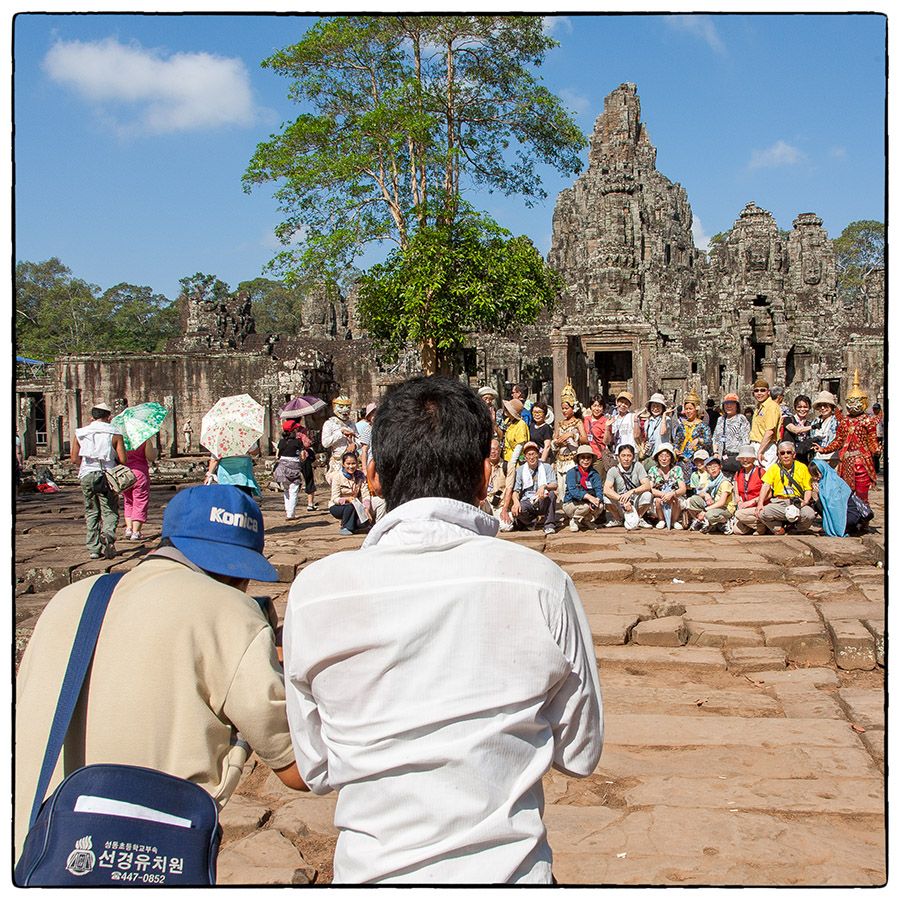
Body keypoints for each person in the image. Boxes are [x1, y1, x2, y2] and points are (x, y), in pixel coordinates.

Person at [283, 376, 602, 884]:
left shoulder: (316, 593)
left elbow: (316, 767)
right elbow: (579, 753)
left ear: (373, 475)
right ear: (485, 476)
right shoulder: (541, 583)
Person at [14, 484, 305, 862]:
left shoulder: (70, 599)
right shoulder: (230, 612)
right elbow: (296, 769)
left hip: (34, 847)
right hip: (137, 857)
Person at [70, 402, 127, 559]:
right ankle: (108, 535)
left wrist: (87, 466)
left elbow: (74, 458)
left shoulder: (80, 433)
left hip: (87, 474)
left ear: (92, 417)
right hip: (108, 476)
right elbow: (123, 459)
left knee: (91, 511)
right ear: (109, 417)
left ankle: (94, 548)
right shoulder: (115, 434)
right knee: (109, 509)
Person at [814, 372, 880, 505]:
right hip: (846, 462)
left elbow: (872, 440)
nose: (853, 405)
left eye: (856, 401)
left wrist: (876, 450)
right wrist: (824, 449)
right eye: (850, 402)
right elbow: (838, 441)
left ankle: (863, 516)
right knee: (847, 494)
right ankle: (850, 515)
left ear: (863, 402)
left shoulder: (868, 421)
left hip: (862, 460)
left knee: (862, 496)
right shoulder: (844, 422)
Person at [756, 441, 816, 535]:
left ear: (794, 454)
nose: (786, 456)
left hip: (796, 502)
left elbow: (808, 488)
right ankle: (778, 528)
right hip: (779, 502)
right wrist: (760, 503)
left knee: (809, 514)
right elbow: (766, 486)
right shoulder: (774, 468)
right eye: (782, 453)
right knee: (761, 513)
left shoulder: (802, 467)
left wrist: (805, 502)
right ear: (778, 455)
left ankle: (797, 529)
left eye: (789, 452)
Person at [504, 441, 559, 535]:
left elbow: (555, 484)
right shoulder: (520, 470)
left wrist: (544, 486)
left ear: (538, 454)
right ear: (525, 457)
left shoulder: (546, 467)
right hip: (528, 500)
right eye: (528, 454)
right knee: (517, 509)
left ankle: (549, 525)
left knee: (551, 494)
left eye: (533, 454)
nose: (531, 457)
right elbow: (516, 490)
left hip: (542, 498)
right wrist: (516, 502)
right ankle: (531, 521)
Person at [603, 443, 653, 529]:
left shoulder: (638, 466)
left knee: (648, 495)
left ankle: (638, 519)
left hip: (635, 501)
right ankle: (618, 519)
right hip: (620, 502)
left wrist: (632, 491)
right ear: (618, 457)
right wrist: (621, 499)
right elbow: (606, 489)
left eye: (629, 456)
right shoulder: (613, 470)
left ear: (633, 457)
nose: (626, 459)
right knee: (606, 497)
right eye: (623, 456)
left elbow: (647, 485)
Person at [684, 455, 734, 533]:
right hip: (714, 506)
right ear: (706, 470)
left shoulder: (725, 482)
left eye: (715, 466)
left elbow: (722, 502)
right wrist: (706, 495)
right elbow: (700, 493)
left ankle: (725, 522)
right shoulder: (709, 481)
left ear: (720, 467)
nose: (713, 469)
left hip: (725, 509)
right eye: (709, 467)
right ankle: (709, 523)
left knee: (709, 515)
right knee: (693, 500)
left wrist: (705, 510)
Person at [122, 438, 158, 541]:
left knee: (128, 501)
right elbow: (150, 457)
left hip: (125, 474)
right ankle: (136, 531)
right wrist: (155, 451)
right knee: (140, 501)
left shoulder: (121, 438)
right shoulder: (143, 438)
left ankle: (129, 528)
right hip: (140, 473)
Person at [563, 444, 605, 531]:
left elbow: (599, 489)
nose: (585, 460)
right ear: (578, 459)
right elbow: (573, 491)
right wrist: (588, 497)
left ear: (591, 459)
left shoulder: (595, 474)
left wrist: (597, 499)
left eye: (588, 457)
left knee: (600, 506)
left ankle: (586, 520)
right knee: (585, 507)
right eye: (582, 457)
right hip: (572, 503)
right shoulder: (571, 473)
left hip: (588, 502)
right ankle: (574, 520)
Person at [329, 450, 373, 535]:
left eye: (353, 463)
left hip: (357, 506)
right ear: (343, 464)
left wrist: (366, 508)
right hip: (339, 507)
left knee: (364, 524)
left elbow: (365, 494)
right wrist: (347, 499)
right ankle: (345, 527)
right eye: (348, 464)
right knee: (350, 506)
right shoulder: (337, 477)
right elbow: (335, 498)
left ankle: (354, 526)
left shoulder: (360, 476)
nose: (351, 466)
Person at [552, 382, 587, 484]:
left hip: (572, 460)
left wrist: (572, 435)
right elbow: (555, 439)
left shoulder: (578, 422)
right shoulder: (560, 423)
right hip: (560, 459)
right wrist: (557, 442)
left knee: (571, 485)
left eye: (566, 408)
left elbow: (585, 440)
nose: (564, 411)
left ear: (573, 408)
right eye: (563, 408)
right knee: (561, 487)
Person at [646, 443, 686, 530]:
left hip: (674, 498)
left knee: (676, 500)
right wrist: (663, 494)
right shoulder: (653, 470)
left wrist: (672, 494)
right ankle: (661, 520)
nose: (664, 459)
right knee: (657, 500)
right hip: (659, 499)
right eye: (661, 456)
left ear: (671, 458)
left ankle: (674, 521)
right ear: (657, 458)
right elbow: (650, 488)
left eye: (667, 456)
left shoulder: (677, 469)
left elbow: (683, 489)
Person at [274, 424, 310, 520]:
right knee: (293, 491)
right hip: (294, 468)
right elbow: (302, 456)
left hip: (282, 468)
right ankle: (291, 514)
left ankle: (288, 512)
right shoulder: (298, 442)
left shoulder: (281, 442)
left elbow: (277, 456)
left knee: (286, 490)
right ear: (293, 431)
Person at [321, 394, 358, 484]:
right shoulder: (329, 424)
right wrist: (340, 433)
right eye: (341, 407)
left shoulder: (351, 424)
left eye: (348, 407)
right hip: (338, 461)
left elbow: (359, 439)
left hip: (351, 461)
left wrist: (355, 445)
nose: (345, 410)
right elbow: (325, 443)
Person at [712, 393, 750, 474]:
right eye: (726, 403)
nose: (729, 406)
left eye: (732, 403)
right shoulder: (720, 419)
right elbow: (715, 438)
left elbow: (745, 439)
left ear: (737, 406)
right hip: (722, 456)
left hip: (737, 456)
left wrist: (743, 457)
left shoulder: (741, 418)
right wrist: (715, 452)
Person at [749, 379, 783, 468]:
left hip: (766, 447)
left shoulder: (771, 406)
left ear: (768, 392)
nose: (759, 393)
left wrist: (760, 451)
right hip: (756, 445)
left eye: (762, 390)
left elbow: (770, 431)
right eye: (756, 391)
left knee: (765, 474)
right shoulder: (759, 407)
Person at [732, 445, 765, 535]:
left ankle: (761, 526)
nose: (745, 460)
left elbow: (768, 494)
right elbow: (736, 493)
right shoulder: (738, 473)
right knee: (737, 530)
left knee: (739, 514)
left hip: (759, 506)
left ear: (753, 459)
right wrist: (739, 502)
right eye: (742, 458)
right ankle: (758, 526)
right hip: (745, 508)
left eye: (748, 458)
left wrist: (751, 502)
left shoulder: (761, 472)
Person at [677, 390, 711, 476]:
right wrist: (676, 450)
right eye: (686, 409)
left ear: (696, 409)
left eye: (690, 409)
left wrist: (698, 440)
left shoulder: (703, 425)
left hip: (697, 460)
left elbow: (709, 442)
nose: (688, 411)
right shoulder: (681, 426)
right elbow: (677, 442)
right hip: (682, 460)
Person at [640, 392, 681, 462]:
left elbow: (662, 432)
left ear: (662, 408)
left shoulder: (666, 419)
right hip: (651, 455)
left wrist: (664, 415)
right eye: (653, 406)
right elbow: (648, 438)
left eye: (658, 406)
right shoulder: (647, 422)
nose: (655, 408)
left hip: (663, 455)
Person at [809, 391, 840, 469]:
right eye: (820, 406)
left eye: (825, 405)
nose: (823, 408)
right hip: (817, 458)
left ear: (831, 406)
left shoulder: (837, 421)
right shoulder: (815, 422)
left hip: (833, 458)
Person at [479, 437, 508, 520]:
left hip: (499, 505)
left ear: (500, 450)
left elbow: (509, 489)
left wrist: (505, 509)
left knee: (506, 525)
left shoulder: (507, 466)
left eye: (495, 449)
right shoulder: (482, 466)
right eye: (490, 449)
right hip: (485, 502)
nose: (492, 452)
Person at [604, 390, 639, 456]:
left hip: (631, 452)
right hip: (618, 452)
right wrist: (608, 427)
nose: (623, 405)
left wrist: (636, 421)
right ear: (616, 402)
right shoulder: (613, 419)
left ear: (629, 406)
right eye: (621, 402)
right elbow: (608, 441)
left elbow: (637, 435)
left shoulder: (632, 416)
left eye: (626, 403)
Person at [782, 394, 814, 464]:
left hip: (803, 458)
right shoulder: (788, 419)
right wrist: (812, 427)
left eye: (805, 407)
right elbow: (795, 430)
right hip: (788, 457)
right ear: (795, 408)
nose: (802, 409)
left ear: (809, 408)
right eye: (799, 407)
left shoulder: (809, 423)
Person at [502, 398, 530, 468]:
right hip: (506, 457)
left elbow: (520, 445)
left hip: (516, 461)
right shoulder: (507, 421)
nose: (505, 409)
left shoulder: (521, 424)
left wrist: (512, 462)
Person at [355, 402, 377, 470]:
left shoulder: (384, 429)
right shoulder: (369, 429)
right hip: (371, 464)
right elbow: (364, 450)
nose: (375, 416)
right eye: (372, 414)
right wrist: (364, 469)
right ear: (369, 417)